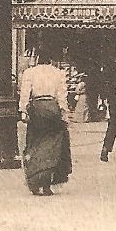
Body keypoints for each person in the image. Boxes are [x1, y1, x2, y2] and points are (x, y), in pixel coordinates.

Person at [19, 48, 72, 196]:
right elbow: (62, 96)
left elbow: (25, 93)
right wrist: (64, 114)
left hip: (37, 109)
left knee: (34, 145)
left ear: (36, 58)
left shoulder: (30, 72)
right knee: (52, 146)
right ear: (51, 60)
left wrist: (23, 111)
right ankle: (47, 183)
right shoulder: (58, 73)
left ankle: (35, 182)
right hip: (52, 109)